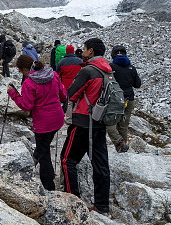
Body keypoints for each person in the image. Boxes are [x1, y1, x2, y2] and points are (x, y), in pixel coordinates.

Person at [60, 38, 111, 214]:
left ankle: (71, 199)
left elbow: (71, 94)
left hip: (82, 122)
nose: (83, 51)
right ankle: (102, 205)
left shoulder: (88, 70)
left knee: (68, 160)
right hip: (100, 122)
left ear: (90, 51)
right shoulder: (109, 71)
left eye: (84, 48)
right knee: (100, 164)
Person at [7, 55, 67, 191]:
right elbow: (63, 95)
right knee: (43, 149)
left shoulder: (29, 83)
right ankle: (46, 173)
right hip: (57, 119)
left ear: (23, 69)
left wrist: (13, 94)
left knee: (43, 152)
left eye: (21, 71)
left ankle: (48, 185)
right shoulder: (53, 75)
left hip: (42, 124)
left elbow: (26, 106)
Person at [107, 45, 141, 153]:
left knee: (109, 123)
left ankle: (119, 142)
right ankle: (123, 148)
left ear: (113, 55)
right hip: (129, 98)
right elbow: (137, 84)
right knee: (123, 125)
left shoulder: (110, 67)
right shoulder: (131, 67)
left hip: (115, 99)